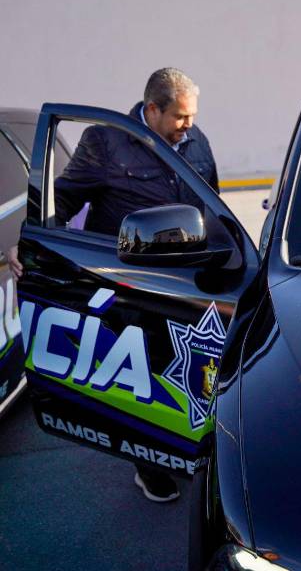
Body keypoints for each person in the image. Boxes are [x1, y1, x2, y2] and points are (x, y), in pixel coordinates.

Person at [10, 67, 218, 502]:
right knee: (141, 378)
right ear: (152, 109)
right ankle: (150, 466)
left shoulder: (196, 141)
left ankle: (188, 452)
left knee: (186, 377)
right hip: (130, 283)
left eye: (193, 115)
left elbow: (211, 204)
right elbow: (62, 199)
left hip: (189, 282)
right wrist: (32, 244)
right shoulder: (105, 143)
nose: (190, 125)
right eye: (181, 117)